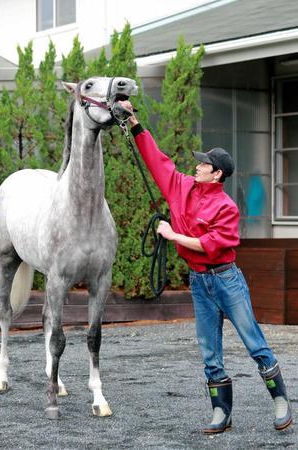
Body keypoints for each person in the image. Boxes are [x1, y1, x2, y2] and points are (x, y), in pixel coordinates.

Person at [119, 100, 293, 433]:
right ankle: (221, 412)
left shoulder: (226, 208)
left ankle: (281, 400)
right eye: (199, 164)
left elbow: (209, 246)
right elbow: (157, 160)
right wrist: (135, 123)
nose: (197, 166)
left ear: (217, 174)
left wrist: (172, 234)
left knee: (253, 341)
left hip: (226, 280)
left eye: (204, 165)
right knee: (208, 350)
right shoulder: (181, 186)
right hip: (199, 282)